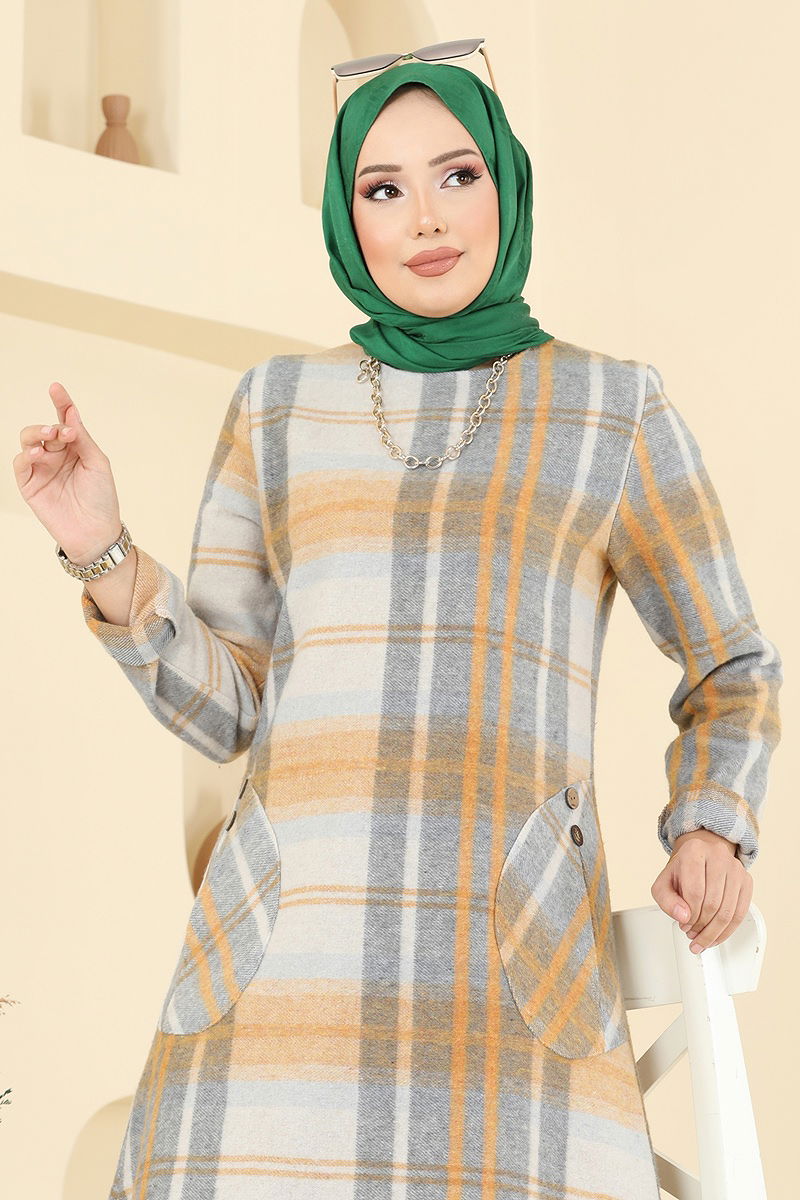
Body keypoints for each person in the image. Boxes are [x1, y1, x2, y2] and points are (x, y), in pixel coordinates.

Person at [13, 58, 782, 1200]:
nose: (423, 217)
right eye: (382, 189)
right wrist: (101, 546)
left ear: (505, 185)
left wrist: (711, 825)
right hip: (286, 977)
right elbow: (226, 713)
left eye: (455, 175)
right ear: (347, 217)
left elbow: (732, 663)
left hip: (507, 973)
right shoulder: (276, 406)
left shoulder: (612, 409)